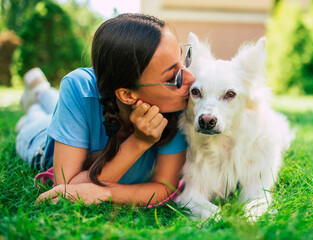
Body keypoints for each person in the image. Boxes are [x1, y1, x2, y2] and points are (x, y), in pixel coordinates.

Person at [15, 13, 195, 206]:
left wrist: (104, 194)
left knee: (53, 109)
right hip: (38, 141)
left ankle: (41, 91)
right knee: (34, 119)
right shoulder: (78, 87)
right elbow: (67, 187)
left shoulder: (176, 101)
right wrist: (139, 142)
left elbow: (165, 187)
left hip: (73, 122)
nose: (191, 78)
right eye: (172, 77)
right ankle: (38, 97)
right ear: (127, 95)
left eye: (184, 60)